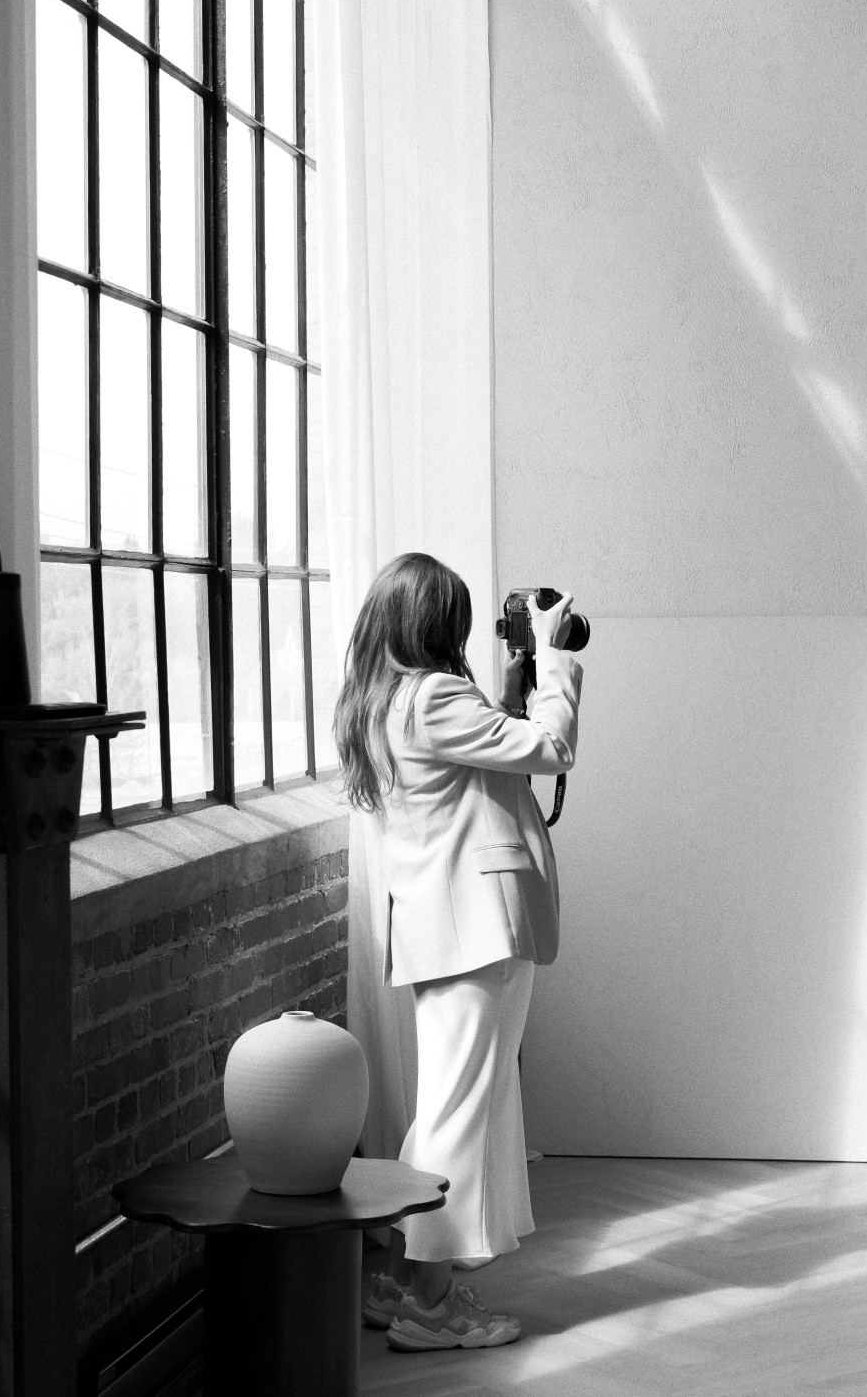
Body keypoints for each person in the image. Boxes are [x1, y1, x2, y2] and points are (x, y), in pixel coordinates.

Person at [333, 552, 582, 1351]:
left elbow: (485, 751)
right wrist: (556, 657)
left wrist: (510, 684)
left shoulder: (390, 701)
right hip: (477, 930)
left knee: (448, 1105)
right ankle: (430, 1306)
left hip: (446, 930)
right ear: (433, 625)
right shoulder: (433, 696)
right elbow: (551, 747)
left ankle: (408, 1279)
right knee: (460, 1113)